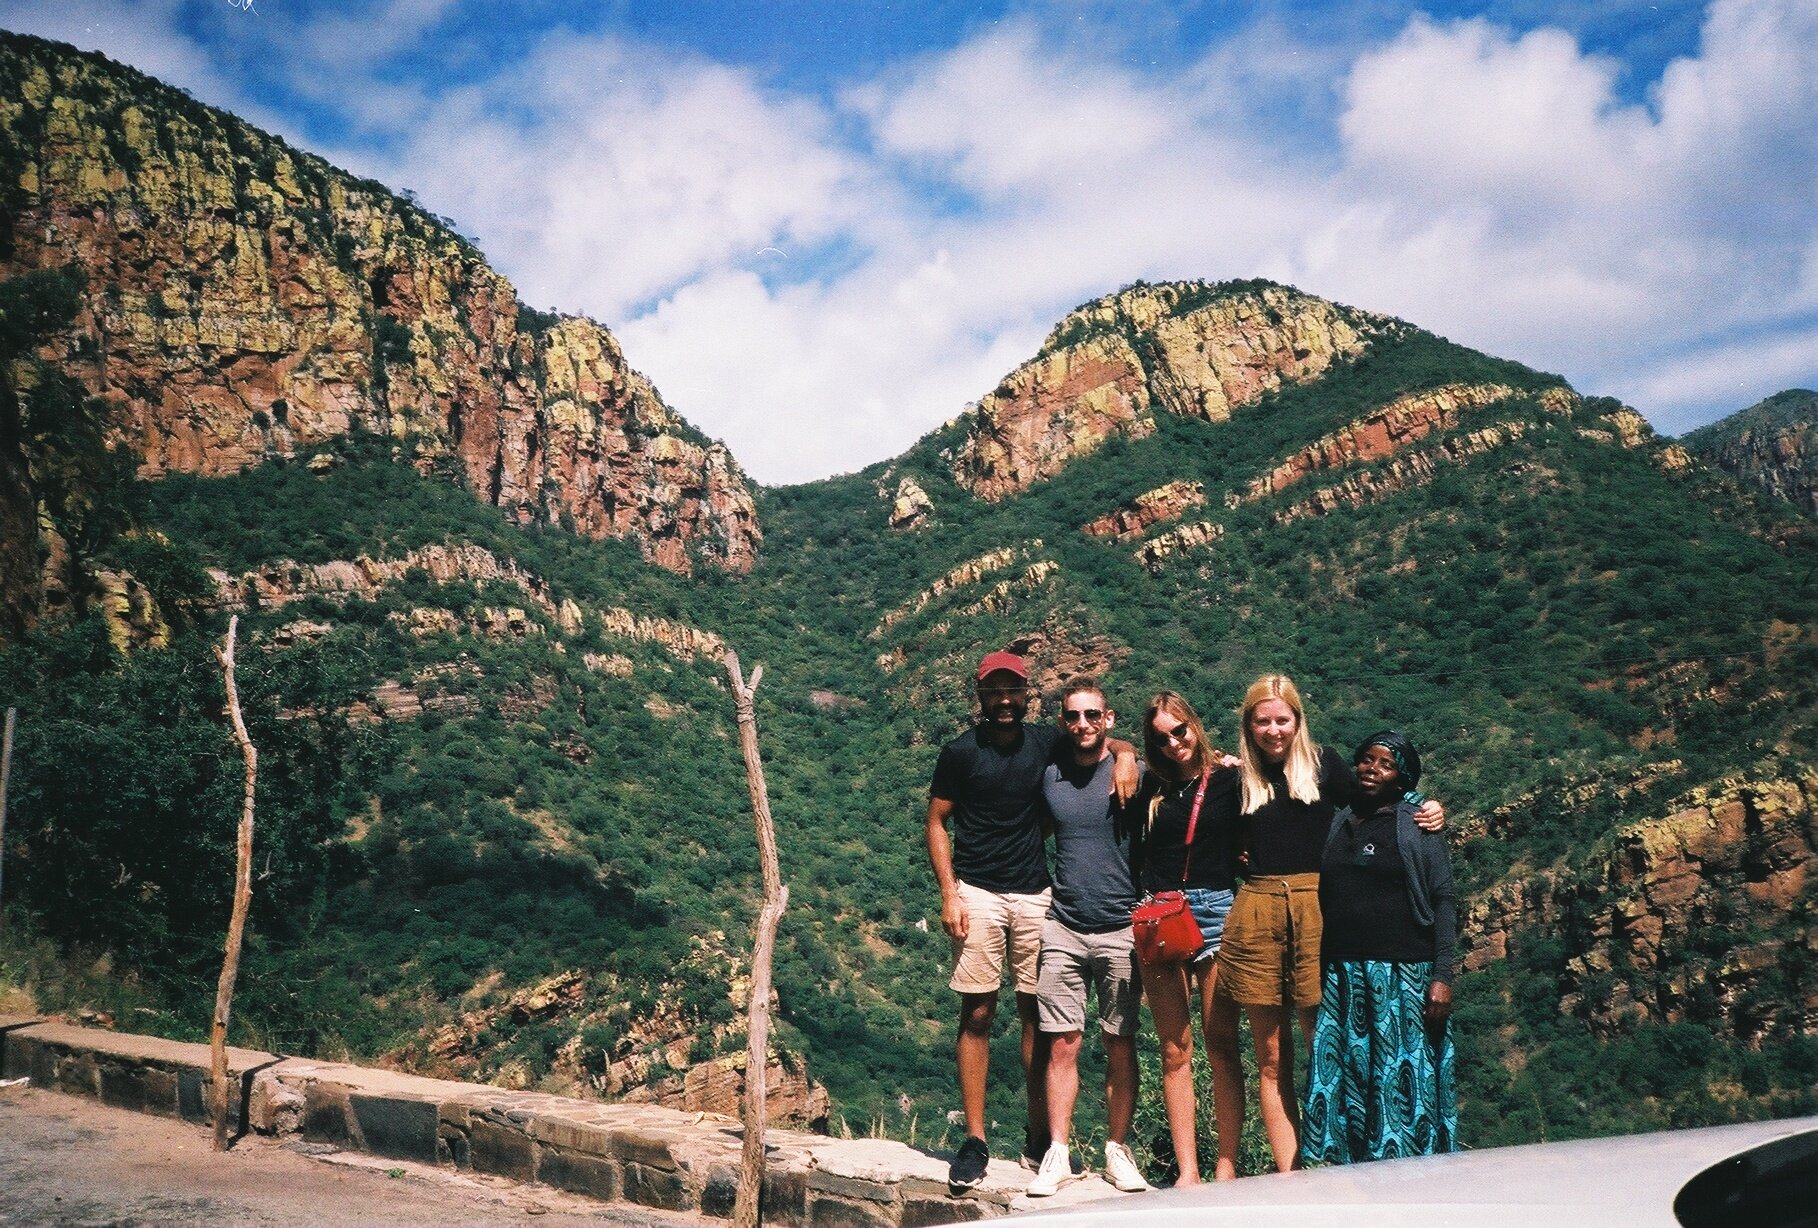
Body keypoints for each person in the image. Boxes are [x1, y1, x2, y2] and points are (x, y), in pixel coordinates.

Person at [1214, 675, 1444, 1173]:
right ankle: (1289, 1175)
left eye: (1282, 719)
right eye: (1262, 721)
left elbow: (1378, 797)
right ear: (1248, 725)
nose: (1273, 730)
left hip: (1319, 911)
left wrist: (1425, 803)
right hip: (1258, 909)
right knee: (1272, 1057)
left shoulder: (1325, 766)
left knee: (1328, 1045)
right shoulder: (1236, 781)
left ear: (1298, 720)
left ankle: (1341, 1164)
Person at [927, 651, 1138, 1191]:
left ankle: (1040, 1137)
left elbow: (1098, 739)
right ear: (979, 696)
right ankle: (975, 1140)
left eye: (1012, 690)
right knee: (977, 1011)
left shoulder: (1046, 739)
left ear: (1027, 695)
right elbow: (936, 820)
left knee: (1036, 1016)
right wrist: (950, 893)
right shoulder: (959, 753)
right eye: (993, 691)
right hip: (976, 891)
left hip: (1036, 894)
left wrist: (1129, 752)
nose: (1003, 700)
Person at [1301, 730, 1459, 1165]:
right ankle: (1352, 1180)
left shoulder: (1416, 824)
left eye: (1386, 764)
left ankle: (1412, 1183)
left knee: (1399, 1081)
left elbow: (1444, 898)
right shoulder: (1341, 818)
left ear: (1401, 777)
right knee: (1347, 1079)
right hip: (1343, 976)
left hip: (1402, 976)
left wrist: (1443, 976)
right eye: (1367, 760)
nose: (1372, 769)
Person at [1025, 678, 1150, 1197]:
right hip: (1064, 924)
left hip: (1123, 927)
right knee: (1062, 1045)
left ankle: (1117, 1150)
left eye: (1092, 715)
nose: (1082, 724)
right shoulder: (1049, 774)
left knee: (1120, 1044)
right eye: (1073, 716)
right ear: (1062, 722)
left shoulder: (1135, 772)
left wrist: (1125, 754)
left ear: (1109, 718)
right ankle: (1058, 1151)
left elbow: (1192, 777)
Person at [1133, 690, 1246, 1185]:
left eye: (1180, 730)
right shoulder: (1147, 788)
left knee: (1221, 1042)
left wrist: (1417, 803)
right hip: (1160, 914)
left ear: (1194, 725)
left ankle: (1226, 1165)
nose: (1174, 742)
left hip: (1217, 909)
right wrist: (1121, 753)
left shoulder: (1232, 778)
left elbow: (1305, 780)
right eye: (1161, 738)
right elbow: (1106, 746)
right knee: (1174, 1048)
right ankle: (1188, 1171)